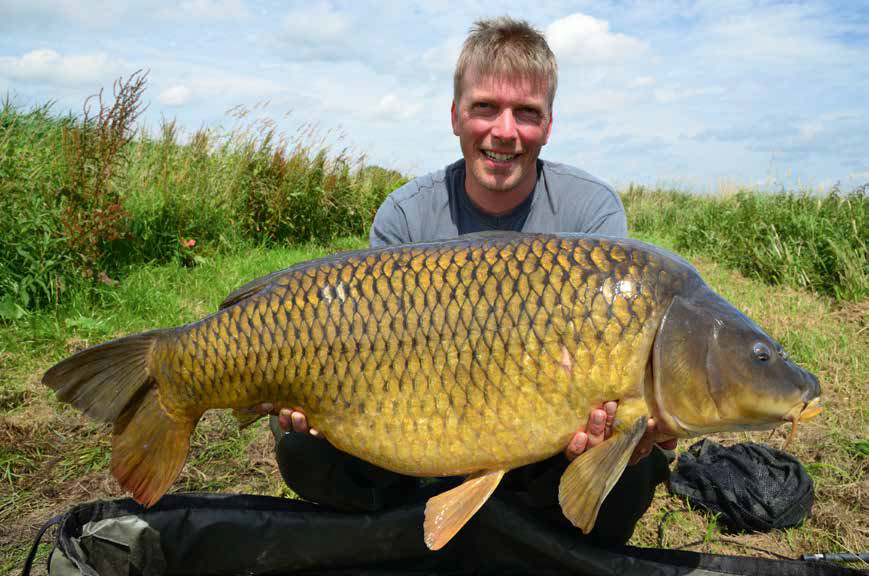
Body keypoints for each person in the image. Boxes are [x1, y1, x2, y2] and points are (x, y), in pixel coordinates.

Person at [256, 16, 676, 545]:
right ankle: (402, 522)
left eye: (527, 113)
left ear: (548, 125)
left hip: (542, 447)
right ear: (456, 116)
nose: (505, 130)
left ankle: (546, 536)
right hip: (415, 428)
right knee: (303, 446)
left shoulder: (591, 215)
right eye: (485, 107)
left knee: (632, 455)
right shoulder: (406, 216)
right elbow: (366, 349)